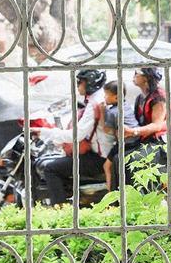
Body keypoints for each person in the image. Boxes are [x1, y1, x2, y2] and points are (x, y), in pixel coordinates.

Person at [31, 69, 113, 206]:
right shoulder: (97, 99)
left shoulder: (94, 104)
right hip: (101, 153)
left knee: (50, 168)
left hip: (99, 158)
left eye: (80, 82)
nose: (78, 85)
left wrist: (45, 132)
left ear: (90, 84)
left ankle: (61, 210)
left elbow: (76, 135)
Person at [111, 67, 171, 189]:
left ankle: (141, 200)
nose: (134, 75)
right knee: (117, 158)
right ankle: (120, 203)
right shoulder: (140, 97)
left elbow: (157, 125)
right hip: (147, 141)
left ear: (146, 77)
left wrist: (133, 132)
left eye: (137, 73)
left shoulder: (159, 97)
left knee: (131, 162)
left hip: (161, 143)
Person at [99, 81, 140, 191]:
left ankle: (110, 193)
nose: (104, 97)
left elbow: (106, 130)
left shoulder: (112, 112)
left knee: (106, 166)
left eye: (107, 94)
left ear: (116, 97)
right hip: (135, 141)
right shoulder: (126, 105)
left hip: (125, 144)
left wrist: (102, 112)